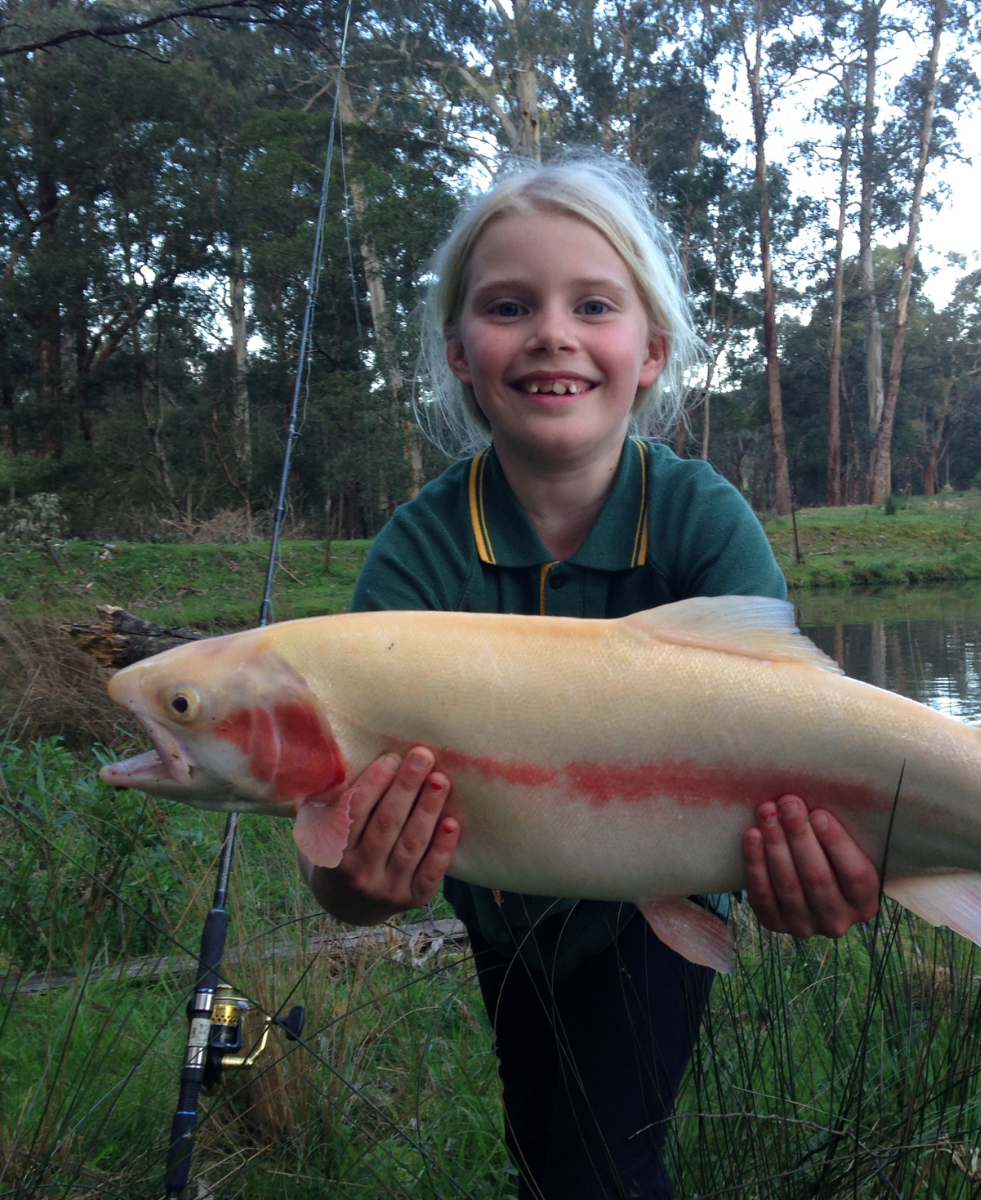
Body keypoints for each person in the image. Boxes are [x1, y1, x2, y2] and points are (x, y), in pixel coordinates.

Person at [298, 152, 880, 1199]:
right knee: (546, 1145)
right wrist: (352, 882)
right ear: (459, 352)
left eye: (593, 305)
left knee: (600, 1166)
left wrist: (841, 867)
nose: (552, 333)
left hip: (657, 910)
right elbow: (343, 841)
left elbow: (804, 729)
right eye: (509, 306)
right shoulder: (417, 554)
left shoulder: (703, 520)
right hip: (505, 916)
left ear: (651, 351)